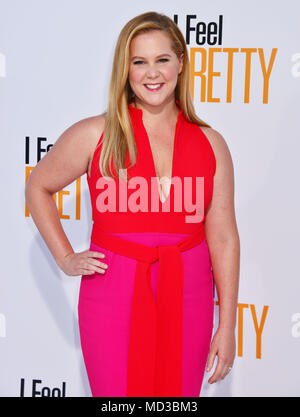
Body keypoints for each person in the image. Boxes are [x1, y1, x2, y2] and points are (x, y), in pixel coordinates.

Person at [25, 11, 240, 397]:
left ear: (181, 64)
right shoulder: (96, 133)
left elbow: (223, 237)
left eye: (162, 59)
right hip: (112, 298)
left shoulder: (212, 144)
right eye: (139, 62)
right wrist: (65, 257)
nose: (151, 73)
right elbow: (38, 186)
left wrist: (227, 325)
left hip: (188, 299)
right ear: (125, 70)